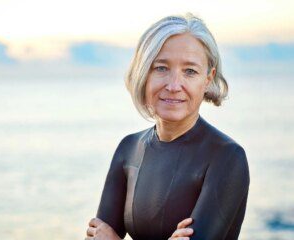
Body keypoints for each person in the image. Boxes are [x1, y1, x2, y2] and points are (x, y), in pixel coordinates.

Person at [86, 13, 250, 240]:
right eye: (161, 68)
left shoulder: (227, 157)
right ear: (144, 73)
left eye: (190, 71)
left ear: (208, 79)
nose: (174, 85)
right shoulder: (129, 148)